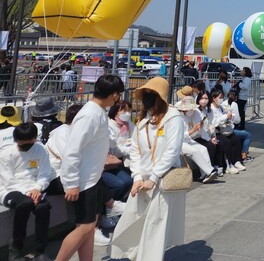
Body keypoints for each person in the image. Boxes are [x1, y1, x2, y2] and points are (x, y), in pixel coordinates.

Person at [110, 76, 187, 261]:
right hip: (141, 181)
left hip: (161, 180)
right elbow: (135, 149)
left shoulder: (173, 118)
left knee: (155, 225)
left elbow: (172, 150)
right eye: (144, 94)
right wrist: (137, 177)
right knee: (132, 220)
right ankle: (133, 254)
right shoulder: (143, 120)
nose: (146, 98)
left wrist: (153, 177)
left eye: (151, 94)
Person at [54, 74, 123, 261]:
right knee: (84, 227)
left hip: (91, 178)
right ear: (114, 95)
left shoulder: (97, 111)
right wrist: (72, 183)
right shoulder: (90, 114)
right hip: (83, 181)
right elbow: (72, 150)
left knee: (89, 227)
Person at [0, 122, 52, 261]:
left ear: (35, 138)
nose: (25, 147)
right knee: (26, 204)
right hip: (10, 189)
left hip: (34, 188)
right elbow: (8, 180)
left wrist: (38, 188)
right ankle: (16, 248)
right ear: (15, 140)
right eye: (21, 144)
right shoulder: (6, 154)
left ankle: (40, 250)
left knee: (43, 207)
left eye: (28, 143)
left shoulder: (41, 150)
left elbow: (45, 173)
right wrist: (30, 192)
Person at [175, 95, 218, 184]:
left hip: (188, 140)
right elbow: (178, 136)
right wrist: (192, 130)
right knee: (194, 151)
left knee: (203, 149)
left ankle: (205, 174)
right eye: (191, 109)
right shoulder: (177, 117)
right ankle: (210, 171)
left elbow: (194, 133)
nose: (193, 111)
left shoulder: (189, 115)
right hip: (178, 142)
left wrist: (197, 129)